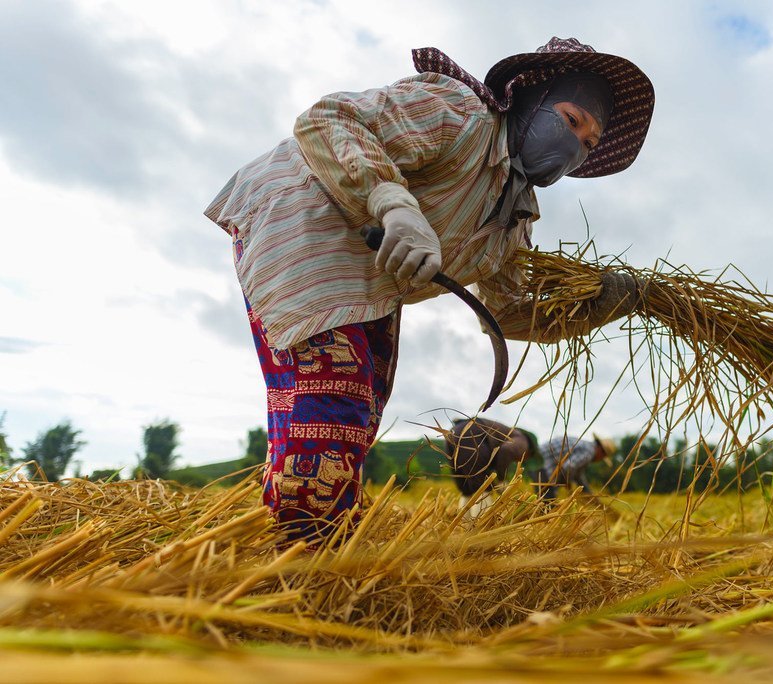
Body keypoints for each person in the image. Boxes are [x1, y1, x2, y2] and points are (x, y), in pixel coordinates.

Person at [203, 37, 655, 546]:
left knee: (362, 408)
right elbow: (327, 120)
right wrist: (393, 204)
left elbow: (505, 315)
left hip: (373, 278)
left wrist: (597, 311)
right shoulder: (461, 114)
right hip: (307, 220)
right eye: (572, 121)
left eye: (589, 143)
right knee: (336, 393)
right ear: (529, 99)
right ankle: (308, 551)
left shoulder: (516, 217)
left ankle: (304, 525)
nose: (574, 146)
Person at [445, 417, 540, 516]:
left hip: (453, 433)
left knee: (467, 489)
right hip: (471, 433)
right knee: (483, 488)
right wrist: (501, 479)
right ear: (530, 452)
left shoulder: (509, 433)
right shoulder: (523, 441)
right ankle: (479, 527)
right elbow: (506, 451)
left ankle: (464, 525)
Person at [536, 434, 617, 501]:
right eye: (602, 458)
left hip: (538, 458)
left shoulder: (586, 446)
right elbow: (568, 467)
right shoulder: (589, 452)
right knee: (547, 504)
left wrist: (589, 494)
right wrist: (568, 484)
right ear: (601, 452)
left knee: (545, 500)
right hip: (542, 464)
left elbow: (579, 476)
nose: (599, 460)